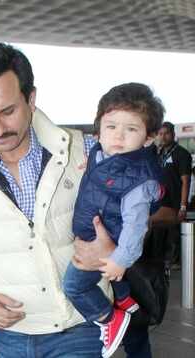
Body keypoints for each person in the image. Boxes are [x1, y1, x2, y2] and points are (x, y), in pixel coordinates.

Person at [0, 42, 113, 357]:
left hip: (80, 325)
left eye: (8, 111)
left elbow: (136, 211)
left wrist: (113, 245)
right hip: (10, 337)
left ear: (31, 98)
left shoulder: (84, 150)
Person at [62, 83, 164, 358]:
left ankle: (110, 319)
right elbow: (99, 161)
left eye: (131, 129)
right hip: (97, 237)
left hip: (110, 249)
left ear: (148, 137)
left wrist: (121, 259)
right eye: (111, 126)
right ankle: (123, 298)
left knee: (73, 286)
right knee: (117, 285)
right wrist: (90, 168)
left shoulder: (138, 181)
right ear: (99, 130)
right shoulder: (101, 153)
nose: (118, 135)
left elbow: (135, 227)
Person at [157, 121, 192, 266]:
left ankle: (176, 264)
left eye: (166, 134)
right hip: (159, 203)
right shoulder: (159, 153)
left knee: (173, 236)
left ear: (173, 134)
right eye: (160, 134)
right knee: (160, 234)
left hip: (174, 203)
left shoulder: (182, 154)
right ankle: (164, 263)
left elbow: (186, 182)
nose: (163, 137)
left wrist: (183, 206)